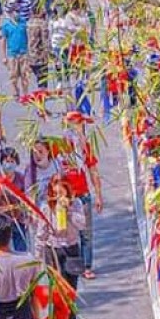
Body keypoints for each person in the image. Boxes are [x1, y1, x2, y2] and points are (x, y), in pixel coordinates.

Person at [60, 113, 104, 280]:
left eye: (78, 125)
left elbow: (93, 172)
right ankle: (68, 265)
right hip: (65, 199)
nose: (76, 128)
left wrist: (98, 195)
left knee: (86, 234)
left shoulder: (85, 149)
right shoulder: (60, 147)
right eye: (71, 124)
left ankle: (86, 266)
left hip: (83, 196)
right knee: (65, 234)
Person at [35, 179, 85, 318]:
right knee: (59, 290)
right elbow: (41, 233)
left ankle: (71, 318)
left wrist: (68, 211)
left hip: (71, 248)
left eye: (61, 193)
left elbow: (82, 225)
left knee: (71, 288)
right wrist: (38, 257)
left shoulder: (76, 204)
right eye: (55, 194)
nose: (58, 197)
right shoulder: (46, 207)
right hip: (54, 251)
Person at [0, 213, 42, 319]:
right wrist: (37, 318)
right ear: (10, 235)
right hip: (24, 318)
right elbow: (35, 294)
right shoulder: (29, 260)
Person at [0, 147, 29, 252]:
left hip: (19, 219)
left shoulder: (21, 178)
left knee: (21, 251)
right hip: (2, 222)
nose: (9, 164)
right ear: (2, 162)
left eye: (12, 161)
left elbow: (27, 198)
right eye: (7, 161)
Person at [1, 6, 30, 98]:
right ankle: (16, 91)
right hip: (12, 54)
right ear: (11, 12)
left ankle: (25, 94)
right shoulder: (6, 25)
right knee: (13, 76)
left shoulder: (23, 23)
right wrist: (4, 56)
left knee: (25, 75)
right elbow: (3, 40)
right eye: (15, 11)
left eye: (18, 11)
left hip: (23, 53)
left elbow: (28, 37)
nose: (17, 13)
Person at [25, 138, 62, 207]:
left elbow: (64, 184)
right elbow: (28, 195)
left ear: (48, 151)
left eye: (40, 151)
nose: (38, 155)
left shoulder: (56, 163)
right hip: (42, 207)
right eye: (35, 153)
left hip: (58, 204)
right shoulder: (30, 171)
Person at [26, 6, 50, 90]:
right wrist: (48, 53)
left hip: (31, 54)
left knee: (37, 76)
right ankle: (42, 94)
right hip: (40, 55)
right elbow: (45, 40)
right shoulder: (42, 23)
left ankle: (40, 92)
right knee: (42, 78)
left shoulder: (28, 23)